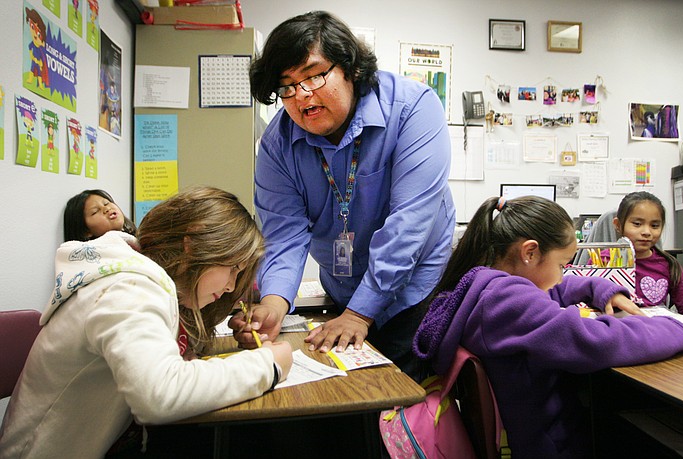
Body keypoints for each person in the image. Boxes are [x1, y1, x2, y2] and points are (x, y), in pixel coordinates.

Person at [233, 11, 455, 380]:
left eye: (314, 76)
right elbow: (283, 233)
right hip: (345, 289)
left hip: (415, 289)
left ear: (350, 68)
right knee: (347, 395)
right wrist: (274, 304)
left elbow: (409, 225)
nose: (301, 96)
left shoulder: (413, 108)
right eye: (286, 86)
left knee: (397, 398)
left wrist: (359, 314)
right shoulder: (277, 144)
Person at [0, 186, 293, 458]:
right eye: (232, 268)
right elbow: (159, 396)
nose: (231, 286)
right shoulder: (129, 288)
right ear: (192, 245)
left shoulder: (145, 274)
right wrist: (268, 364)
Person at [413, 195, 683, 458]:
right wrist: (673, 330)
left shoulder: (487, 285)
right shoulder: (507, 301)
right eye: (562, 264)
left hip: (531, 431)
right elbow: (595, 341)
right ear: (530, 253)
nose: (562, 274)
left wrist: (599, 288)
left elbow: (552, 289)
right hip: (550, 442)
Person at [613, 191, 683, 319]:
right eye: (637, 224)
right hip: (618, 333)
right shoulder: (603, 262)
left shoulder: (669, 265)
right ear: (618, 225)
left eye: (654, 225)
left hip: (657, 333)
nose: (646, 232)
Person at [63, 189, 137, 242]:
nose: (106, 208)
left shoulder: (138, 240)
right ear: (86, 231)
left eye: (106, 203)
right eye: (95, 211)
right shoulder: (91, 257)